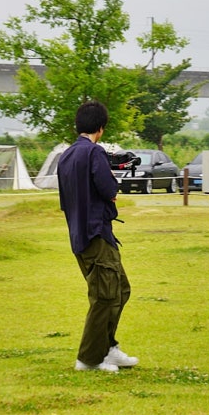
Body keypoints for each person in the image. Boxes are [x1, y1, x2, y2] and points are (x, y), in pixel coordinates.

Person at [56, 102, 138, 372]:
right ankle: (89, 358)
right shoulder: (94, 153)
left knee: (120, 289)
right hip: (96, 233)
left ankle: (108, 348)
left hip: (78, 234)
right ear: (101, 127)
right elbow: (109, 190)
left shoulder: (66, 156)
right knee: (105, 295)